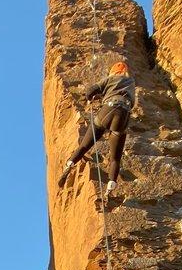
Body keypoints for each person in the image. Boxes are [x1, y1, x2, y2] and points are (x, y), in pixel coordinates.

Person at [58, 61, 135, 196]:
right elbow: (129, 100)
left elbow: (90, 91)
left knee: (84, 145)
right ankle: (110, 187)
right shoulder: (130, 82)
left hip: (108, 110)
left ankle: (69, 165)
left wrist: (90, 97)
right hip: (123, 115)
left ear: (113, 71)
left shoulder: (110, 78)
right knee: (115, 158)